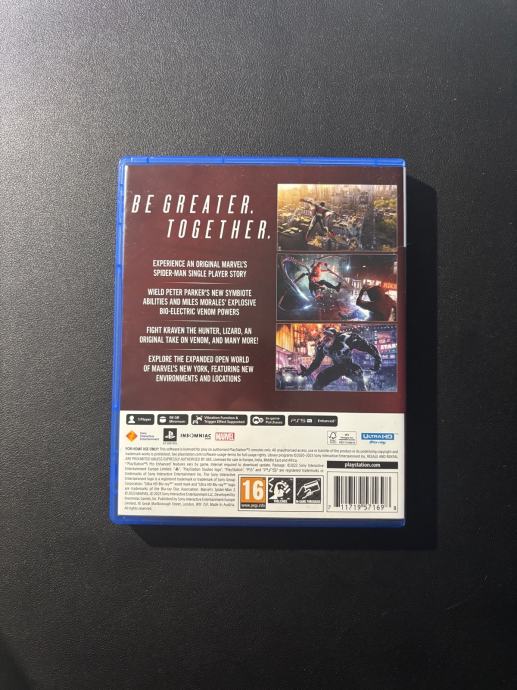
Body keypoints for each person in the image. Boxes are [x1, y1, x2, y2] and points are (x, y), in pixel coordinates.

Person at [299, 327, 381, 391]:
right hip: (337, 368)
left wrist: (377, 360)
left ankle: (362, 394)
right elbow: (316, 362)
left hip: (349, 367)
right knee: (319, 381)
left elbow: (368, 346)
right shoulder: (322, 347)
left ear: (335, 336)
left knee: (358, 375)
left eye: (330, 336)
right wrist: (307, 372)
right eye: (326, 335)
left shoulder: (346, 339)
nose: (327, 338)